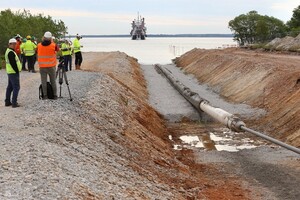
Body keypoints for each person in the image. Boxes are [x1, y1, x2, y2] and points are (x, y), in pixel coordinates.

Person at [37, 31, 59, 100]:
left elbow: (37, 51)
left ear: (43, 37)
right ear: (50, 38)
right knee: (53, 81)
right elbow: (57, 49)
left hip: (42, 67)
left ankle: (45, 96)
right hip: (51, 66)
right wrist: (52, 42)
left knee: (43, 82)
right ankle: (55, 95)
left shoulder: (39, 45)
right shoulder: (53, 45)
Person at [5, 38, 22, 108]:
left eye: (15, 44)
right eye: (13, 44)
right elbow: (13, 63)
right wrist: (17, 70)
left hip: (10, 71)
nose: (15, 45)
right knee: (16, 87)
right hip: (13, 72)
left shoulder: (9, 51)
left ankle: (7, 102)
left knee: (10, 87)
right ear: (10, 44)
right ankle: (14, 103)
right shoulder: (11, 52)